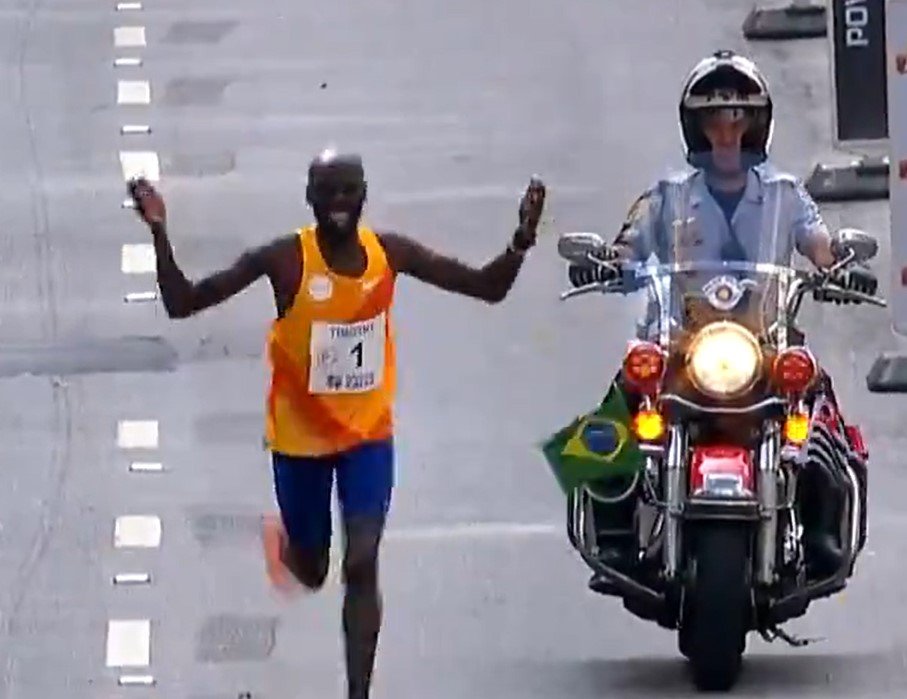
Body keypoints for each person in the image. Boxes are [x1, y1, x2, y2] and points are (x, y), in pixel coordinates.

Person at [126, 149, 545, 699]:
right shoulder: (284, 261)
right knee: (315, 569)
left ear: (365, 194)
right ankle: (288, 545)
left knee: (364, 560)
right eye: (329, 193)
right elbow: (183, 303)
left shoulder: (388, 254)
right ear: (310, 198)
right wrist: (159, 230)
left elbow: (486, 287)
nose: (340, 204)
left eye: (349, 191)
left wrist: (520, 241)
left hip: (367, 438)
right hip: (299, 443)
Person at [565, 50, 876, 588]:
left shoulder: (786, 194)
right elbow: (628, 244)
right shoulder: (667, 195)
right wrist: (607, 263)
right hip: (683, 341)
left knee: (821, 415)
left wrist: (840, 268)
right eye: (715, 119)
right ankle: (611, 536)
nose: (727, 133)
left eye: (738, 118)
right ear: (698, 128)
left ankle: (825, 534)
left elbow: (820, 246)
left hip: (765, 340)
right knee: (615, 405)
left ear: (757, 125)